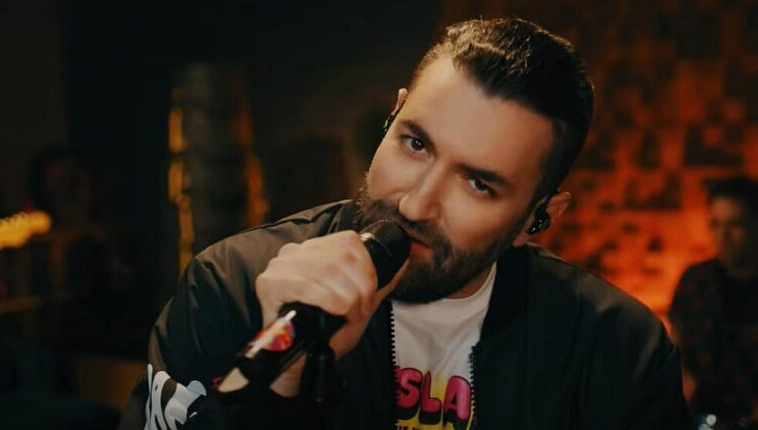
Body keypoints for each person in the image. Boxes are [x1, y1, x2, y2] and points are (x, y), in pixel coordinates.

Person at [119, 18, 688, 429]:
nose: (416, 205)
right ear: (392, 117)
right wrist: (283, 385)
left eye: (478, 183)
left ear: (536, 218)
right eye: (415, 144)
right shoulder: (234, 284)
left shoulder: (616, 346)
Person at [669, 176, 758, 428]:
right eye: (715, 224)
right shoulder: (696, 282)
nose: (723, 235)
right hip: (700, 419)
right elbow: (677, 346)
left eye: (734, 224)